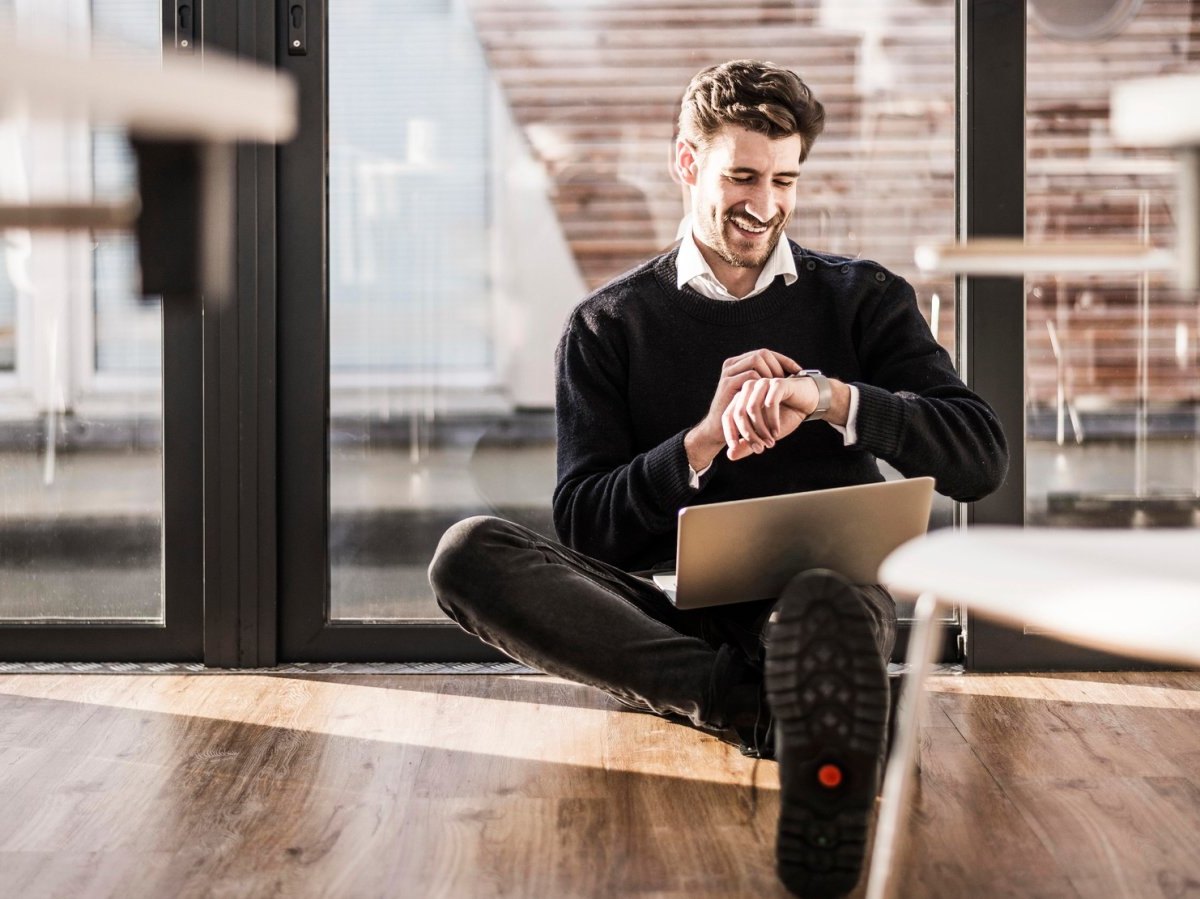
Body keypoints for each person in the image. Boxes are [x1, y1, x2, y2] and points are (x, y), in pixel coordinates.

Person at [429, 59, 1008, 898]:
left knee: (827, 606)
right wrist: (699, 443)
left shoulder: (863, 299)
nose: (764, 204)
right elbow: (590, 529)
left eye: (785, 179)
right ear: (687, 163)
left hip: (824, 605)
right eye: (742, 175)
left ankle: (763, 699)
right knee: (468, 553)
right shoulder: (606, 326)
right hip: (679, 617)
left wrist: (830, 398)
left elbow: (979, 457)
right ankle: (765, 705)